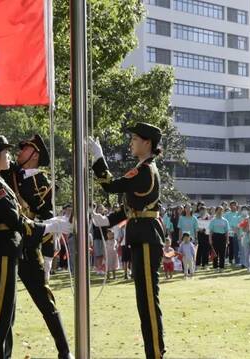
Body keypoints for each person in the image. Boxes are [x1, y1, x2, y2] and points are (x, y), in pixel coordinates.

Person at [0, 103, 73, 359]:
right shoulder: (7, 175)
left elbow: (48, 219)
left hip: (30, 246)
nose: (18, 151)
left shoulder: (44, 183)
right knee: (5, 306)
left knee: (44, 302)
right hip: (11, 241)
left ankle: (64, 350)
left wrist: (48, 255)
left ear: (34, 154)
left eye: (24, 148)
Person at [89, 122, 166, 359]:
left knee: (148, 301)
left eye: (134, 139)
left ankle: (155, 352)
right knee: (144, 299)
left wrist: (98, 157)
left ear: (147, 143)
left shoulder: (145, 170)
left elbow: (111, 186)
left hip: (145, 237)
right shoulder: (143, 169)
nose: (131, 142)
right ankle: (153, 351)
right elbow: (131, 208)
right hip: (141, 235)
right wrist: (107, 221)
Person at [209, 207, 230, 272]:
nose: (220, 212)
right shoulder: (213, 220)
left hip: (222, 237)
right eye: (218, 210)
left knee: (222, 253)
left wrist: (227, 240)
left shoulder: (225, 220)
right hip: (215, 237)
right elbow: (210, 231)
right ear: (216, 211)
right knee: (215, 253)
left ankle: (221, 267)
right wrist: (210, 239)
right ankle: (215, 267)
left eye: (221, 210)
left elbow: (227, 231)